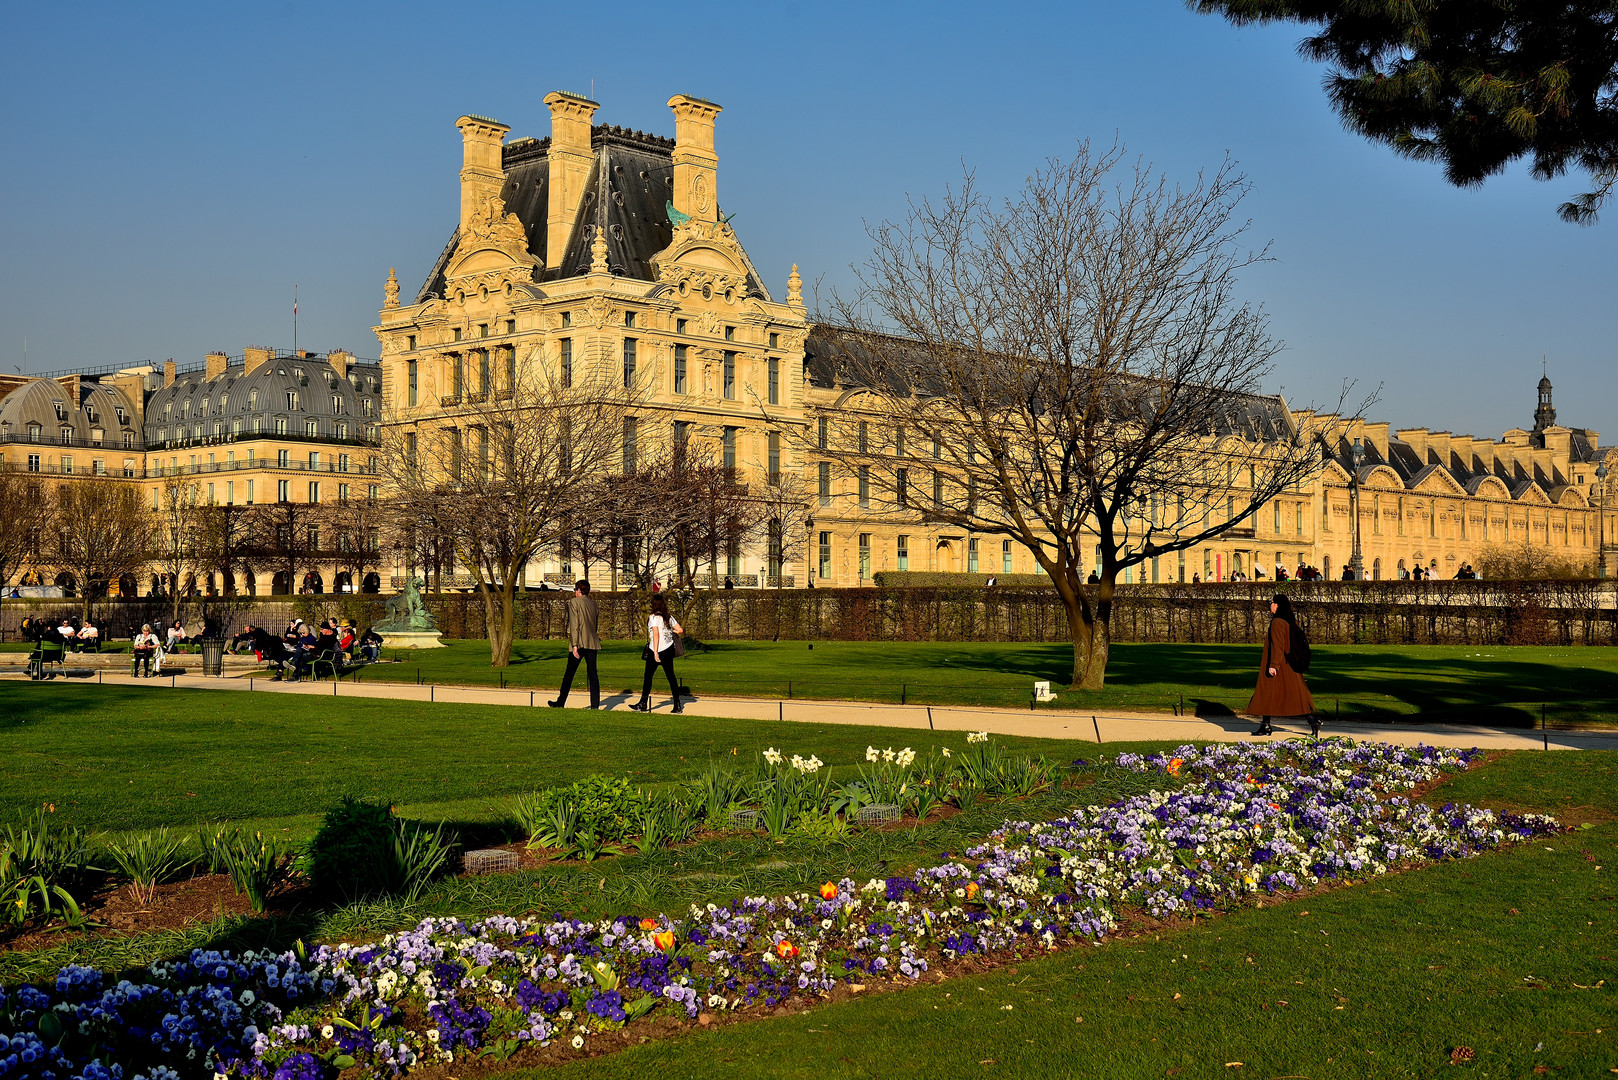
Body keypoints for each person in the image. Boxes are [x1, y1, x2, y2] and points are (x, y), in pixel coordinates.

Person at [1247, 593, 1317, 737]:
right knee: (1284, 695)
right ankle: (1265, 725)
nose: (1270, 605)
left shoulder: (1277, 622)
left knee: (1274, 693)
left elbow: (1278, 645)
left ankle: (1312, 720)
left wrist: (1273, 665)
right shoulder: (1289, 620)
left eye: (1272, 602)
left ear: (1277, 605)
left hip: (1280, 666)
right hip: (1287, 664)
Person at [549, 579, 602, 710]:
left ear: (579, 590)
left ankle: (561, 702)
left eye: (575, 589)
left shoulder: (574, 602)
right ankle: (595, 705)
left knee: (569, 674)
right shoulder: (594, 604)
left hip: (579, 642)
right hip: (592, 642)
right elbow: (594, 625)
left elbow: (574, 625)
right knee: (593, 674)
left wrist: (574, 645)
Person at [629, 592, 683, 714]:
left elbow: (656, 634)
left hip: (656, 649)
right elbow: (680, 630)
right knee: (671, 677)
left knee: (648, 677)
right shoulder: (668, 617)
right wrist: (669, 629)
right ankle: (677, 704)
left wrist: (656, 653)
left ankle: (643, 703)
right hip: (669, 649)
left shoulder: (653, 617)